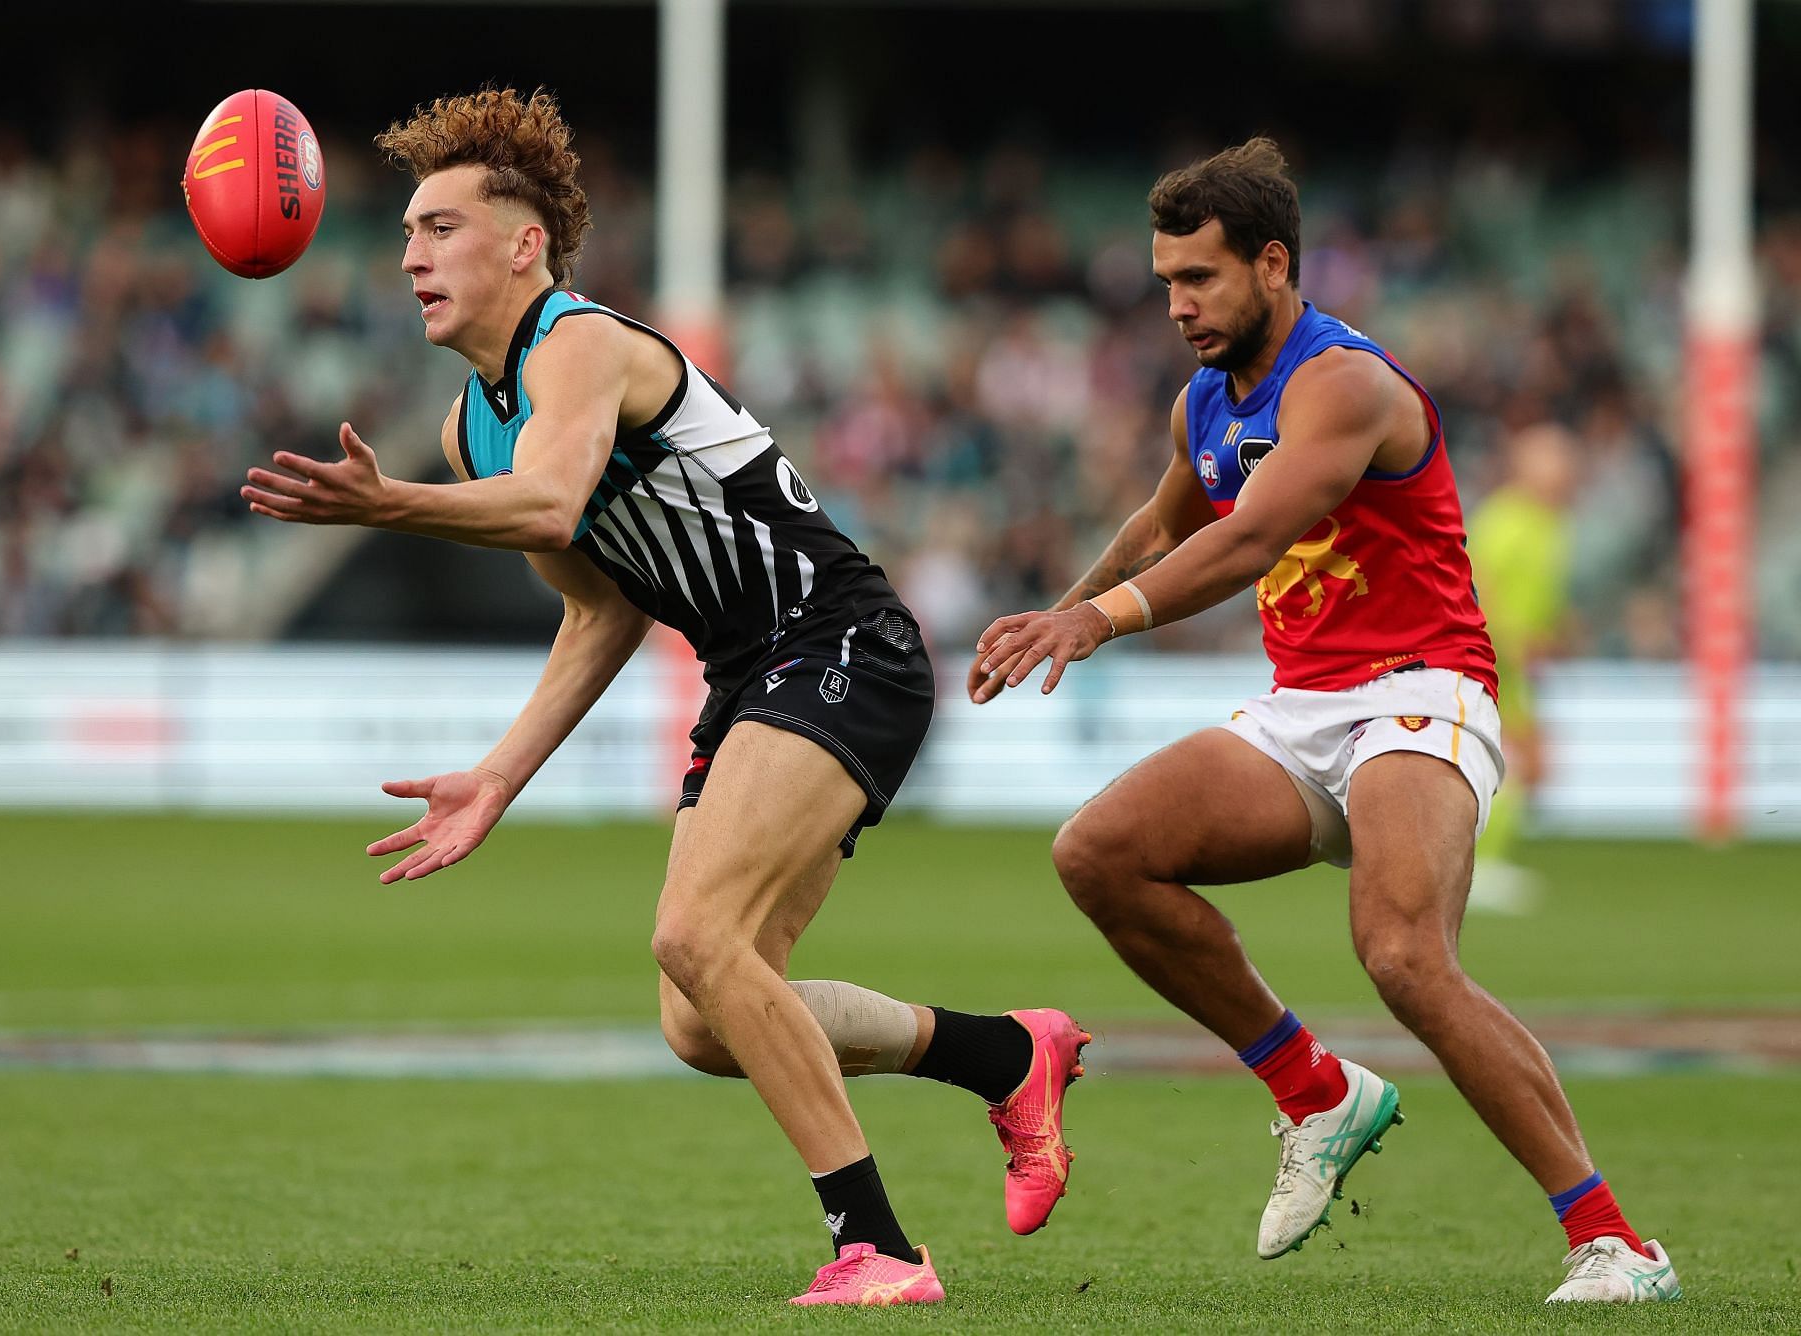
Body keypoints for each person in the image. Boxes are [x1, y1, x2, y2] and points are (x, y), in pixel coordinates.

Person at [239, 87, 1088, 1307]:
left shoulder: (575, 344)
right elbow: (602, 607)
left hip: (839, 636)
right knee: (701, 1020)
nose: (411, 255)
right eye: (409, 233)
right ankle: (1007, 1052)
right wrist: (498, 776)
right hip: (756, 673)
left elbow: (549, 503)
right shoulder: (474, 428)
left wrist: (386, 503)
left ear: (525, 245)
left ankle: (881, 1249)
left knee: (695, 936)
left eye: (441, 228)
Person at [966, 139, 1678, 1305]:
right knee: (1100, 853)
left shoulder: (1343, 382)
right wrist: (1053, 614)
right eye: (1164, 285)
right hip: (1306, 709)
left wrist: (1096, 624)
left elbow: (1246, 540)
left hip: (1418, 690)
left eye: (1199, 279)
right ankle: (1313, 1089)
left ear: (1276, 264)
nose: (1178, 306)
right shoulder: (1208, 396)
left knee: (1403, 957)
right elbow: (1161, 524)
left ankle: (1615, 1243)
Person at [1465, 423, 1581, 913]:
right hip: (1492, 656)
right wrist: (1515, 640)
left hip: (1514, 661)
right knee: (1515, 757)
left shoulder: (1551, 523)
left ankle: (1479, 861)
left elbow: (1540, 596)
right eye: (1551, 458)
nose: (1564, 469)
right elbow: (1477, 582)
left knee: (1528, 762)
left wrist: (1555, 632)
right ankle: (1477, 866)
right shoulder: (1507, 519)